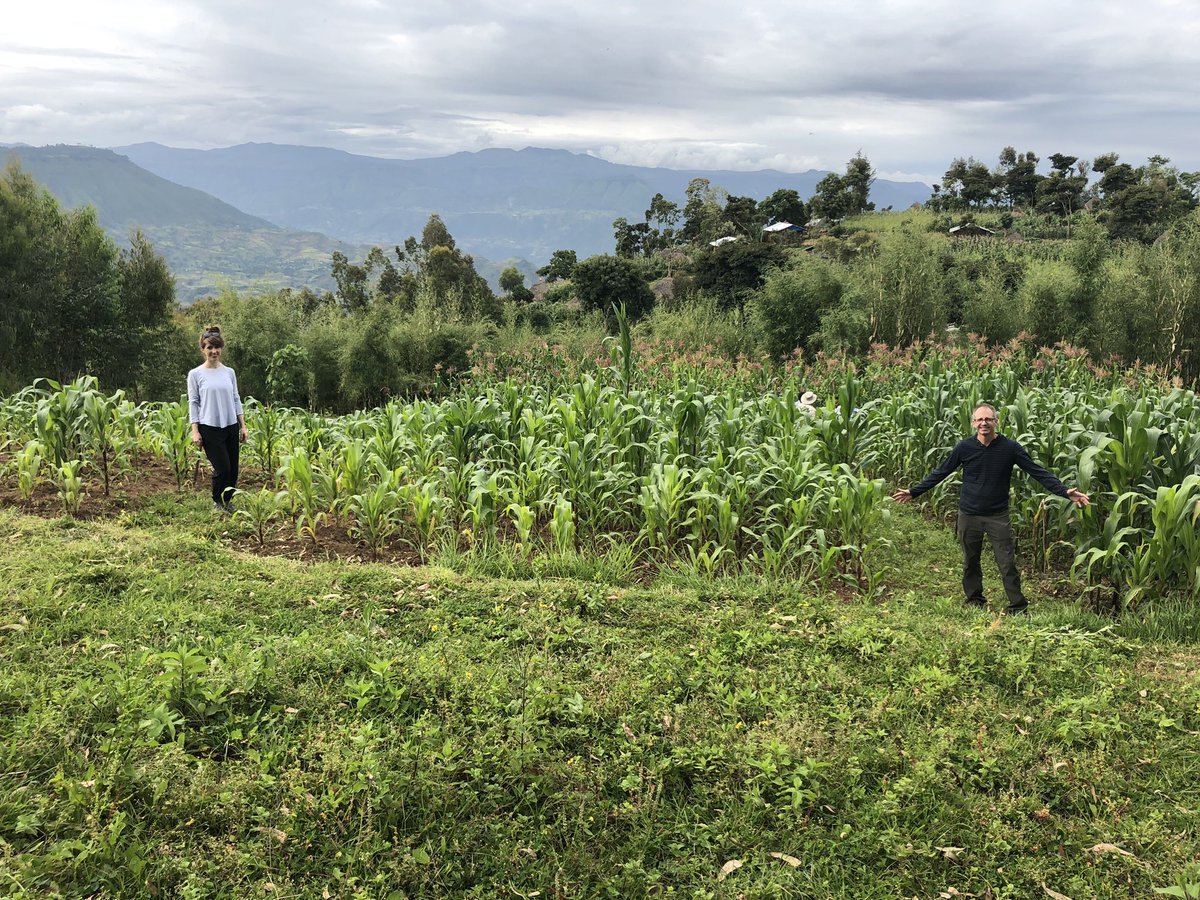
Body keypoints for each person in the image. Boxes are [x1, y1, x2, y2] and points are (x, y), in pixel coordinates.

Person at [891, 403, 1089, 614]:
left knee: (1007, 563)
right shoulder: (964, 448)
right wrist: (914, 492)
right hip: (969, 514)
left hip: (997, 516)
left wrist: (1064, 491)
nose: (984, 423)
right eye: (979, 420)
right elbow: (941, 472)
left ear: (996, 421)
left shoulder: (1010, 448)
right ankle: (975, 599)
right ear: (973, 423)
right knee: (970, 561)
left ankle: (1018, 606)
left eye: (988, 419)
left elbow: (1037, 471)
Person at [188, 325, 247, 513]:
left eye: (217, 347)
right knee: (222, 468)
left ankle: (228, 501)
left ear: (221, 348)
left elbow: (236, 398)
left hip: (230, 426)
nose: (214, 351)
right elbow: (194, 402)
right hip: (209, 427)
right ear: (203, 349)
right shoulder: (195, 374)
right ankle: (217, 502)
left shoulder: (229, 372)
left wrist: (242, 426)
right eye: (209, 348)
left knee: (233, 470)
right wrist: (195, 431)